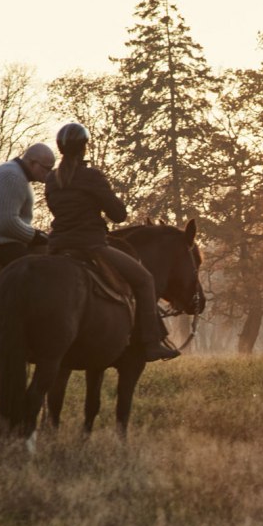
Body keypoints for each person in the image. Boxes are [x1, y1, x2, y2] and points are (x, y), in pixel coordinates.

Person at [45, 122, 177, 362]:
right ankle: (151, 343)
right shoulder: (91, 176)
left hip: (57, 246)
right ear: (84, 148)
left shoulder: (52, 179)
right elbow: (118, 215)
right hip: (91, 245)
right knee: (145, 280)